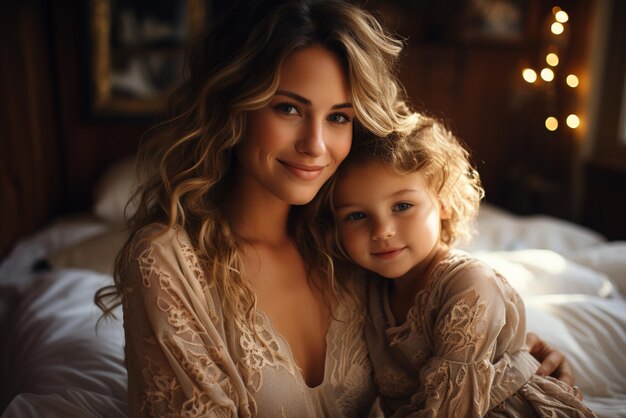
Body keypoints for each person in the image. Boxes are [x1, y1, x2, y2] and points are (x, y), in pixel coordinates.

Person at [94, 0, 577, 416]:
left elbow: (437, 333)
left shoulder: (350, 240)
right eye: (287, 108)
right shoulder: (167, 261)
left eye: (339, 117)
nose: (315, 145)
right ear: (232, 107)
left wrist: (517, 358)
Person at [324, 115, 597, 417]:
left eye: (402, 206)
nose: (382, 231)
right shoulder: (367, 289)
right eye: (356, 216)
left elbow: (451, 410)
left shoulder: (469, 285)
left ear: (443, 201)